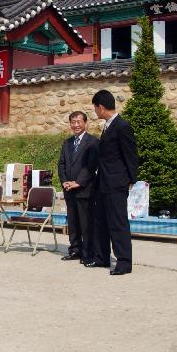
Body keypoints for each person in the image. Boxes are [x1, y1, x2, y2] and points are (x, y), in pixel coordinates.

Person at [88, 90, 139, 276]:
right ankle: (101, 257)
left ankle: (124, 262)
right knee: (100, 221)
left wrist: (130, 179)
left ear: (100, 107)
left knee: (118, 223)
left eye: (95, 108)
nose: (95, 111)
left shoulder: (122, 126)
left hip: (116, 183)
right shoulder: (107, 126)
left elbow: (131, 155)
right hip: (103, 182)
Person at [57, 111, 100, 263]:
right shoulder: (67, 143)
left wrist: (79, 182)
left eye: (78, 122)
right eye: (73, 122)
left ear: (85, 123)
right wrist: (64, 181)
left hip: (85, 190)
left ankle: (88, 253)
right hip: (69, 190)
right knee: (73, 223)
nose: (76, 125)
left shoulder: (93, 142)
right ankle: (75, 250)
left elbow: (91, 165)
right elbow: (61, 164)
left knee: (86, 223)